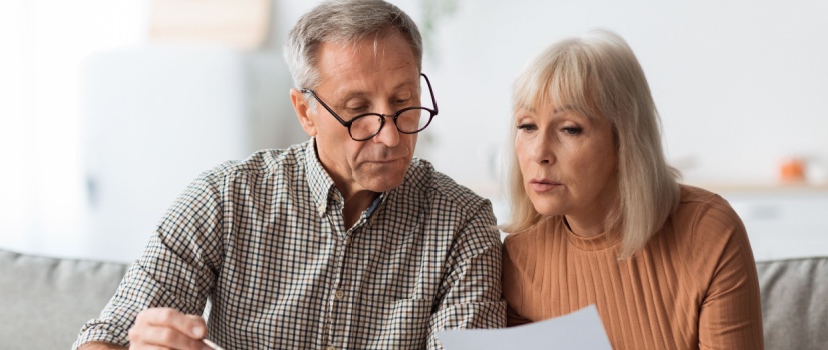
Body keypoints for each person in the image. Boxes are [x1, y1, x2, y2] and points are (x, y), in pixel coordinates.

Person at [74, 1, 505, 349]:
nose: (390, 135)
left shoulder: (462, 222)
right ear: (306, 112)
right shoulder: (224, 198)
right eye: (357, 111)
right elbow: (107, 335)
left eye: (404, 101)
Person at [500, 29, 764, 349]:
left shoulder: (707, 232)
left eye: (570, 129)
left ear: (625, 140)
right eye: (527, 126)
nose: (539, 152)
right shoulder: (519, 257)